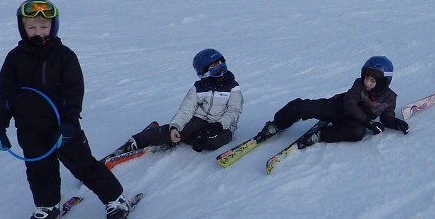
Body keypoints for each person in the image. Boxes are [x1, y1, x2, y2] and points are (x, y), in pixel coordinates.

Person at [0, 0, 132, 219]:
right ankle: (48, 205)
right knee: (38, 169)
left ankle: (115, 199)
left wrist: (68, 123)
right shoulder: (15, 58)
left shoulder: (64, 56)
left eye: (44, 27)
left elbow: (74, 92)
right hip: (29, 129)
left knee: (83, 165)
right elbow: (6, 95)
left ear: (53, 27)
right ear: (22, 28)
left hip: (62, 127)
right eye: (32, 27)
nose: (38, 32)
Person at [254, 56, 409, 148]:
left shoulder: (389, 98)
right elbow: (349, 104)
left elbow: (386, 118)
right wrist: (369, 123)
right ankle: (277, 124)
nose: (367, 83)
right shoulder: (358, 84)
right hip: (337, 108)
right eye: (366, 77)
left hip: (352, 122)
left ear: (383, 82)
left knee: (357, 133)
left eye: (372, 80)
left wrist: (396, 123)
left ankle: (321, 135)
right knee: (300, 106)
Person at [115, 49, 243, 155]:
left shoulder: (232, 87)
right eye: (216, 70)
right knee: (176, 132)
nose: (221, 73)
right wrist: (176, 126)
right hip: (201, 119)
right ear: (204, 74)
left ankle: (187, 136)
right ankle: (138, 140)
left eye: (222, 67)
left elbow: (234, 111)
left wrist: (219, 125)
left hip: (224, 125)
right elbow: (186, 109)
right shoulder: (198, 89)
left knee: (213, 143)